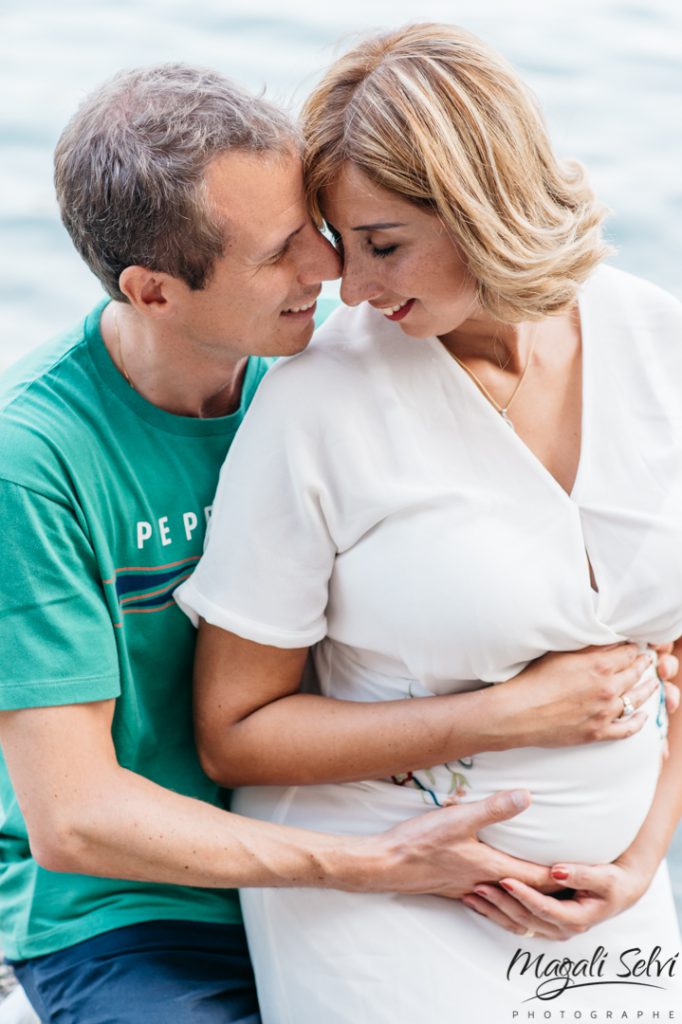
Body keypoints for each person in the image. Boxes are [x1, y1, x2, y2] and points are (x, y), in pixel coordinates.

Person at [0, 61, 664, 1024]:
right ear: (154, 291)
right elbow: (74, 816)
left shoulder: (306, 372)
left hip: (409, 854)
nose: (329, 274)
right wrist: (378, 867)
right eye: (282, 254)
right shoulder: (39, 460)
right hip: (141, 910)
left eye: (321, 229)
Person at [175, 24, 682, 1021]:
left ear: (483, 207)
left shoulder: (658, 341)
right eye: (339, 244)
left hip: (608, 898)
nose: (351, 288)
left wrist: (640, 857)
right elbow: (234, 733)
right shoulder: (317, 402)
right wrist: (497, 717)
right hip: (378, 884)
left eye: (384, 244)